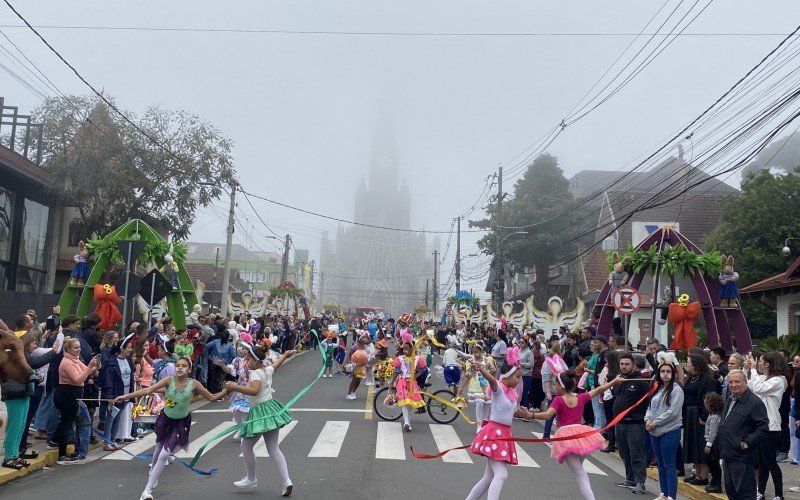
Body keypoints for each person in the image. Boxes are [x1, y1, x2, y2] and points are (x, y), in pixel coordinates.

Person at [115, 357, 227, 500]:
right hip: (165, 420)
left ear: (190, 369)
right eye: (178, 365)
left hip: (181, 423)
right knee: (158, 447)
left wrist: (227, 390)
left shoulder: (194, 384)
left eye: (184, 366)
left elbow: (211, 397)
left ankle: (146, 491)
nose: (180, 368)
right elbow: (149, 390)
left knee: (164, 454)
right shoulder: (168, 381)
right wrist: (125, 396)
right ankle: (153, 475)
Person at [523, 370, 622, 499]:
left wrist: (530, 415)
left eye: (555, 385)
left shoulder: (558, 400)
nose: (554, 387)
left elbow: (548, 415)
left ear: (562, 386)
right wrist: (614, 382)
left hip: (568, 438)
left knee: (579, 473)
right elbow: (598, 390)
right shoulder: (580, 397)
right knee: (580, 471)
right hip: (581, 435)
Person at [226, 344, 295, 496]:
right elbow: (276, 365)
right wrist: (285, 355)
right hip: (271, 409)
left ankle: (251, 478)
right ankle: (286, 481)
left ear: (256, 361)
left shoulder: (254, 373)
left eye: (249, 359)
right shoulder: (266, 369)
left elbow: (254, 390)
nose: (247, 361)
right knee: (273, 448)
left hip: (259, 413)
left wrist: (234, 387)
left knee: (246, 446)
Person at [465, 348, 522, 500]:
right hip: (494, 433)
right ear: (508, 376)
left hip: (505, 434)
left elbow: (508, 412)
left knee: (488, 478)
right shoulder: (499, 390)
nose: (518, 380)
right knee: (501, 474)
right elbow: (492, 380)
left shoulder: (511, 393)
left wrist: (520, 413)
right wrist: (482, 369)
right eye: (517, 377)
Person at [717, 369, 769, 500]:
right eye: (730, 382)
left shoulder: (754, 402)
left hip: (743, 458)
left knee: (745, 494)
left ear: (745, 382)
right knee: (732, 493)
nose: (733, 385)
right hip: (728, 455)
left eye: (737, 382)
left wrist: (746, 443)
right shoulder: (730, 399)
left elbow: (763, 428)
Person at [746, 352, 787, 500]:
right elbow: (749, 386)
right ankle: (760, 492)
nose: (759, 364)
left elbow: (758, 389)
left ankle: (779, 494)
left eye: (761, 361)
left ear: (768, 364)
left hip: (771, 427)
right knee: (762, 462)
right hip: (759, 425)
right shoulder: (764, 378)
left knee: (770, 462)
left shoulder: (779, 380)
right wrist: (746, 369)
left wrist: (753, 370)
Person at [645, 352, 684, 500]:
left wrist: (655, 422)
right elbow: (649, 407)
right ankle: (664, 492)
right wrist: (647, 419)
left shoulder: (677, 389)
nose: (665, 374)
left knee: (669, 465)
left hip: (669, 431)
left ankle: (672, 496)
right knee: (660, 465)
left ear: (673, 373)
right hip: (654, 431)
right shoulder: (657, 388)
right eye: (662, 371)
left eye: (668, 371)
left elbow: (673, 412)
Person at [55, 337, 100, 465]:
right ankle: (62, 455)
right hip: (66, 396)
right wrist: (89, 368)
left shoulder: (75, 360)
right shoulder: (67, 362)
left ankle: (69, 450)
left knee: (69, 424)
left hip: (74, 397)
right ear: (68, 349)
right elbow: (78, 379)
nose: (79, 349)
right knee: (66, 424)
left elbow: (86, 371)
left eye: (79, 347)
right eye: (76, 347)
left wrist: (93, 367)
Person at [613, 352, 651, 495]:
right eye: (622, 364)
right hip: (619, 423)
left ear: (633, 365)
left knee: (636, 454)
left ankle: (640, 482)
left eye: (627, 364)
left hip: (635, 424)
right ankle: (630, 479)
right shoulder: (619, 379)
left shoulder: (641, 381)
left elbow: (648, 402)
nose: (624, 367)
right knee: (624, 453)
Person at [679, 353, 719, 486]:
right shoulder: (691, 378)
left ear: (696, 364)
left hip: (699, 414)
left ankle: (703, 476)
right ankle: (697, 473)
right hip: (689, 414)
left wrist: (704, 416)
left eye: (688, 361)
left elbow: (709, 399)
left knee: (700, 445)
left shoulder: (707, 379)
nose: (687, 364)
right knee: (692, 444)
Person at [100, 333, 135, 451]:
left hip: (125, 395)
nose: (131, 350)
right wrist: (109, 396)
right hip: (115, 395)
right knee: (110, 419)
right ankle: (107, 442)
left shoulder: (129, 361)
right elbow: (108, 381)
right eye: (129, 347)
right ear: (122, 348)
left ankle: (113, 440)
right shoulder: (112, 362)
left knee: (118, 418)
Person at [387, 338, 427, 432]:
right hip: (402, 382)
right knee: (405, 403)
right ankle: (406, 423)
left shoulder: (417, 359)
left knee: (410, 404)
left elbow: (424, 369)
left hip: (412, 383)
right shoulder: (400, 359)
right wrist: (392, 382)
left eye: (407, 349)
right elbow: (396, 372)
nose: (405, 351)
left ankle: (407, 423)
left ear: (412, 349)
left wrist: (416, 375)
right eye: (404, 349)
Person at [458, 341, 496, 433]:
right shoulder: (470, 361)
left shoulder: (488, 360)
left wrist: (495, 384)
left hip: (487, 385)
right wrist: (461, 387)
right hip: (475, 386)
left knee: (487, 405)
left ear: (481, 351)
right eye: (473, 352)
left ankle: (485, 425)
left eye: (477, 351)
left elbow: (493, 372)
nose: (475, 354)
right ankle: (479, 425)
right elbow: (467, 375)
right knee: (479, 403)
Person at [541, 340, 568, 438]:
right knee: (550, 414)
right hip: (553, 391)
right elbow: (546, 377)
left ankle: (560, 435)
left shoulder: (560, 361)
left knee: (560, 415)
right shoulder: (548, 362)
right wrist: (548, 392)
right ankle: (546, 435)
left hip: (562, 391)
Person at [702, 392, 724, 494]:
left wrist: (708, 444)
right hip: (711, 442)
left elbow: (713, 432)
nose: (705, 404)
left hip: (713, 444)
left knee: (713, 464)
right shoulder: (712, 415)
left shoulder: (715, 417)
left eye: (707, 402)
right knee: (710, 463)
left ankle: (717, 484)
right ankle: (714, 482)